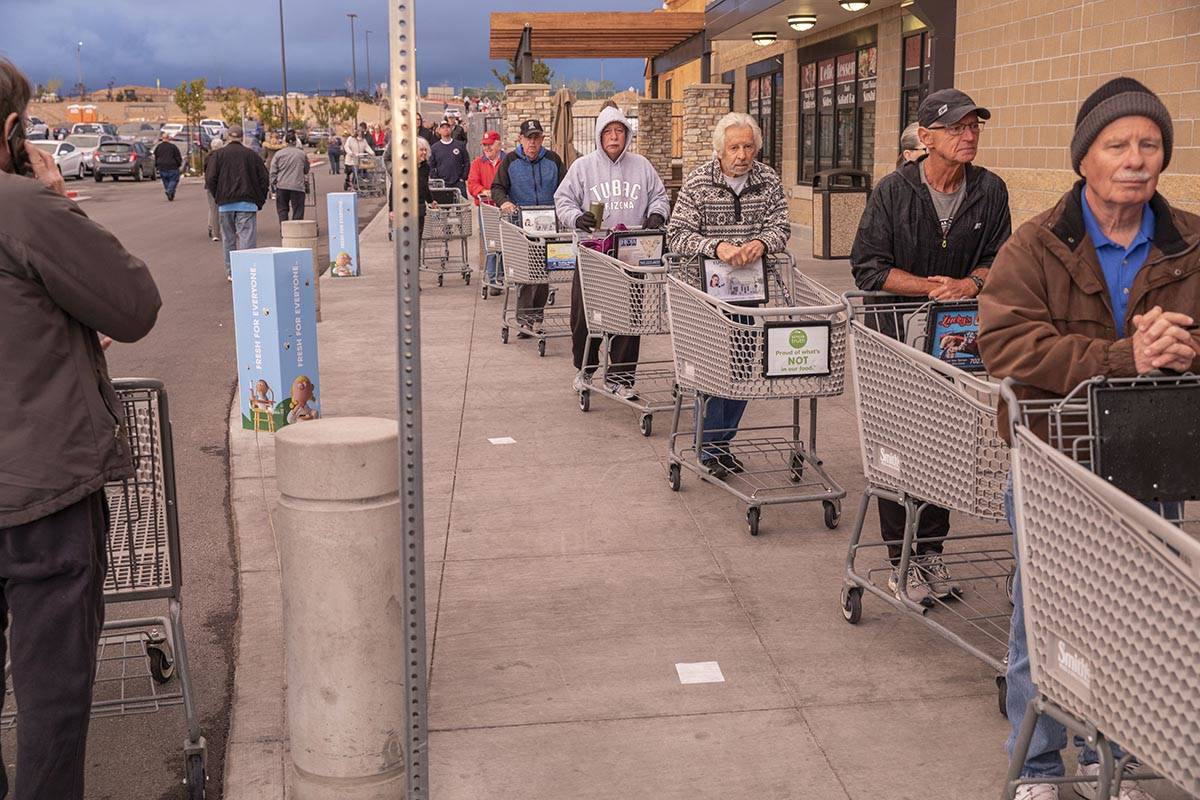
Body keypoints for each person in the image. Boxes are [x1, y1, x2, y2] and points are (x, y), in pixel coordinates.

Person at [978, 77, 1196, 800]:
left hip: (1152, 456)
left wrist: (1182, 346)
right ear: (1084, 159)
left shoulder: (1192, 243)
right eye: (1117, 144)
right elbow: (1007, 346)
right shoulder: (1035, 246)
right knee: (1043, 615)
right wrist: (1122, 356)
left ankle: (1114, 753)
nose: (1135, 158)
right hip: (1053, 459)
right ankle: (1038, 766)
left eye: (1150, 143)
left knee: (1136, 619)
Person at [0, 57, 161, 799]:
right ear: (10, 128)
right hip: (40, 496)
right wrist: (54, 191)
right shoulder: (23, 210)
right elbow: (131, 305)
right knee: (51, 703)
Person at [849, 87, 1012, 604]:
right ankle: (901, 561)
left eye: (975, 127)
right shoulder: (893, 192)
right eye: (958, 127)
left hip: (957, 344)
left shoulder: (990, 191)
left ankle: (931, 556)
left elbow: (998, 258)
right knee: (899, 447)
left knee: (944, 445)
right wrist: (931, 286)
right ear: (926, 137)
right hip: (895, 341)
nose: (969, 136)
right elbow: (868, 268)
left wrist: (972, 285)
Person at [667, 112, 790, 477]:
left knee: (740, 368)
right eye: (734, 147)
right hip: (704, 294)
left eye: (748, 146)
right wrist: (716, 246)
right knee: (710, 368)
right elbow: (676, 234)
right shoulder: (698, 182)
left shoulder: (767, 180)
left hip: (750, 291)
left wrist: (760, 243)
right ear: (720, 150)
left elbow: (780, 226)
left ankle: (721, 441)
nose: (742, 154)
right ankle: (709, 446)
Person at [555, 105, 670, 397]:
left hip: (631, 252)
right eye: (608, 131)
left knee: (628, 316)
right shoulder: (582, 167)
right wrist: (576, 218)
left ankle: (621, 377)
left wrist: (656, 214)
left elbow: (660, 196)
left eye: (619, 130)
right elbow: (563, 200)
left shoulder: (642, 165)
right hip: (593, 253)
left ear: (627, 134)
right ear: (599, 135)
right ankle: (585, 369)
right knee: (584, 316)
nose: (614, 136)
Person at [491, 118, 566, 334]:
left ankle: (536, 316)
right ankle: (524, 320)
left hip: (548, 226)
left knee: (542, 275)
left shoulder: (553, 160)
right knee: (525, 275)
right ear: (521, 139)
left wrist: (563, 207)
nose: (532, 143)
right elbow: (497, 187)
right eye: (528, 138)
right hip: (521, 226)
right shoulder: (511, 161)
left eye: (536, 138)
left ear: (542, 139)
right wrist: (505, 202)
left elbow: (566, 187)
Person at [205, 124, 270, 281]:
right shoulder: (252, 155)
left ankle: (232, 272)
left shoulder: (218, 155)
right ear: (242, 137)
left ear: (228, 137)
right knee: (247, 237)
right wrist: (259, 200)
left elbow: (210, 178)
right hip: (247, 203)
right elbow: (264, 179)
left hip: (225, 204)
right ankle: (247, 270)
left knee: (229, 239)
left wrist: (218, 197)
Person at [467, 129, 505, 294]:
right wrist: (486, 191)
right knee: (492, 243)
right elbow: (472, 184)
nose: (487, 148)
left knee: (507, 242)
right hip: (487, 208)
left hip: (505, 207)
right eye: (484, 145)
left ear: (498, 144)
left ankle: (502, 276)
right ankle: (493, 278)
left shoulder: (507, 160)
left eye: (490, 145)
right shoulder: (477, 163)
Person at [269, 131, 310, 223]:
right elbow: (306, 169)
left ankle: (284, 229)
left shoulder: (278, 154)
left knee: (282, 209)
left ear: (285, 142)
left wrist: (273, 184)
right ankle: (295, 231)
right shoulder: (302, 154)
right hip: (297, 186)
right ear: (295, 142)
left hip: (282, 186)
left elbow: (273, 171)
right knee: (298, 210)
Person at [428, 120, 469, 196]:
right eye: (443, 127)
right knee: (444, 205)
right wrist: (436, 179)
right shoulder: (434, 148)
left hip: (458, 182)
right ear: (439, 131)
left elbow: (466, 161)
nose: (445, 129)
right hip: (442, 183)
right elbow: (431, 165)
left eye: (447, 127)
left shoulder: (460, 145)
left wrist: (463, 177)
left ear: (451, 129)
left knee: (463, 205)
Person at [204, 137, 225, 241]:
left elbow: (206, 171)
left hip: (209, 185)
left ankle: (211, 227)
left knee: (212, 208)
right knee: (219, 208)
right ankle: (217, 231)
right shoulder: (222, 157)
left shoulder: (208, 157)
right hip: (221, 185)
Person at [152, 130, 182, 201]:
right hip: (172, 166)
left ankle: (170, 194)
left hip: (161, 166)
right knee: (174, 180)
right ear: (168, 138)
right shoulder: (173, 147)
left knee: (166, 181)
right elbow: (177, 156)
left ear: (162, 138)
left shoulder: (158, 147)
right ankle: (169, 191)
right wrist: (179, 164)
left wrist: (156, 165)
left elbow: (156, 156)